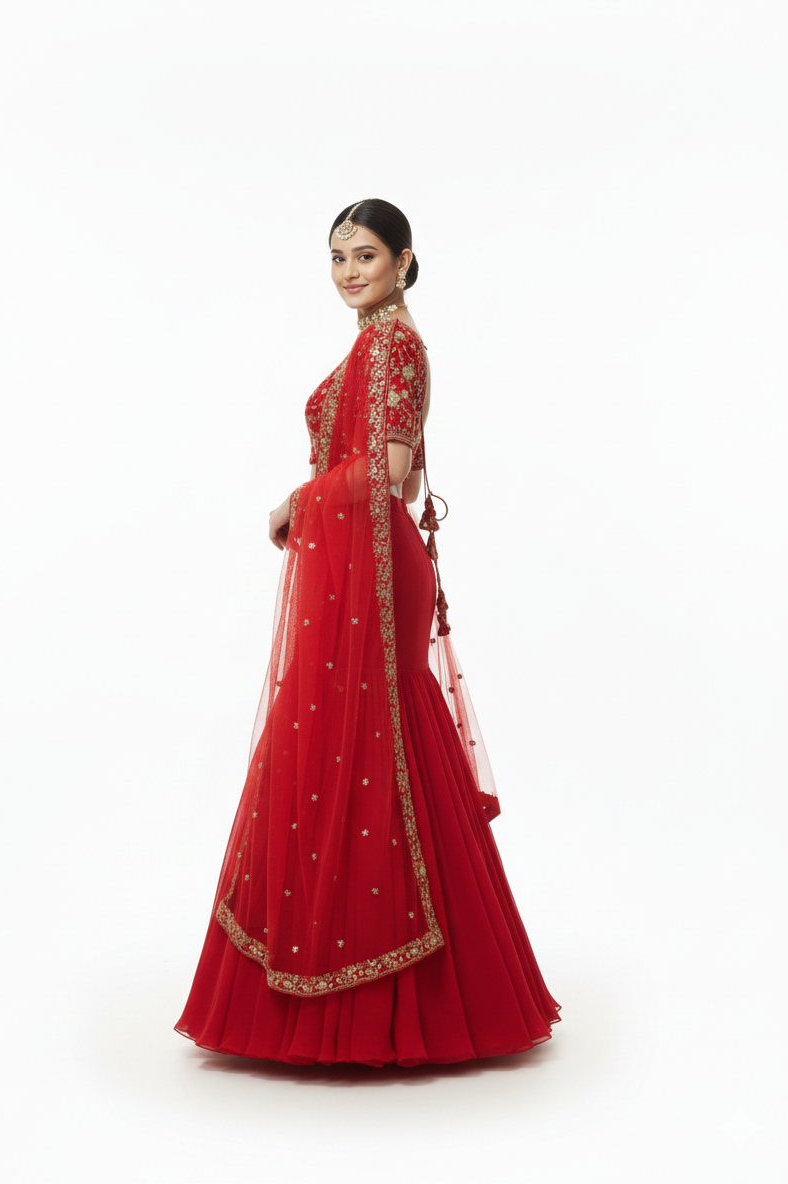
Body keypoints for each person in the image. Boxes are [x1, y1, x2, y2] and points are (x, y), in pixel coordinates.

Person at [174, 199, 562, 1066]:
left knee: (368, 745)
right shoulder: (382, 342)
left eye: (367, 256)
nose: (349, 271)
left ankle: (401, 1002)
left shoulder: (393, 345)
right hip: (363, 565)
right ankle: (434, 992)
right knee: (359, 747)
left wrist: (295, 501)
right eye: (338, 257)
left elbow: (388, 472)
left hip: (375, 574)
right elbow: (407, 476)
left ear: (404, 261)